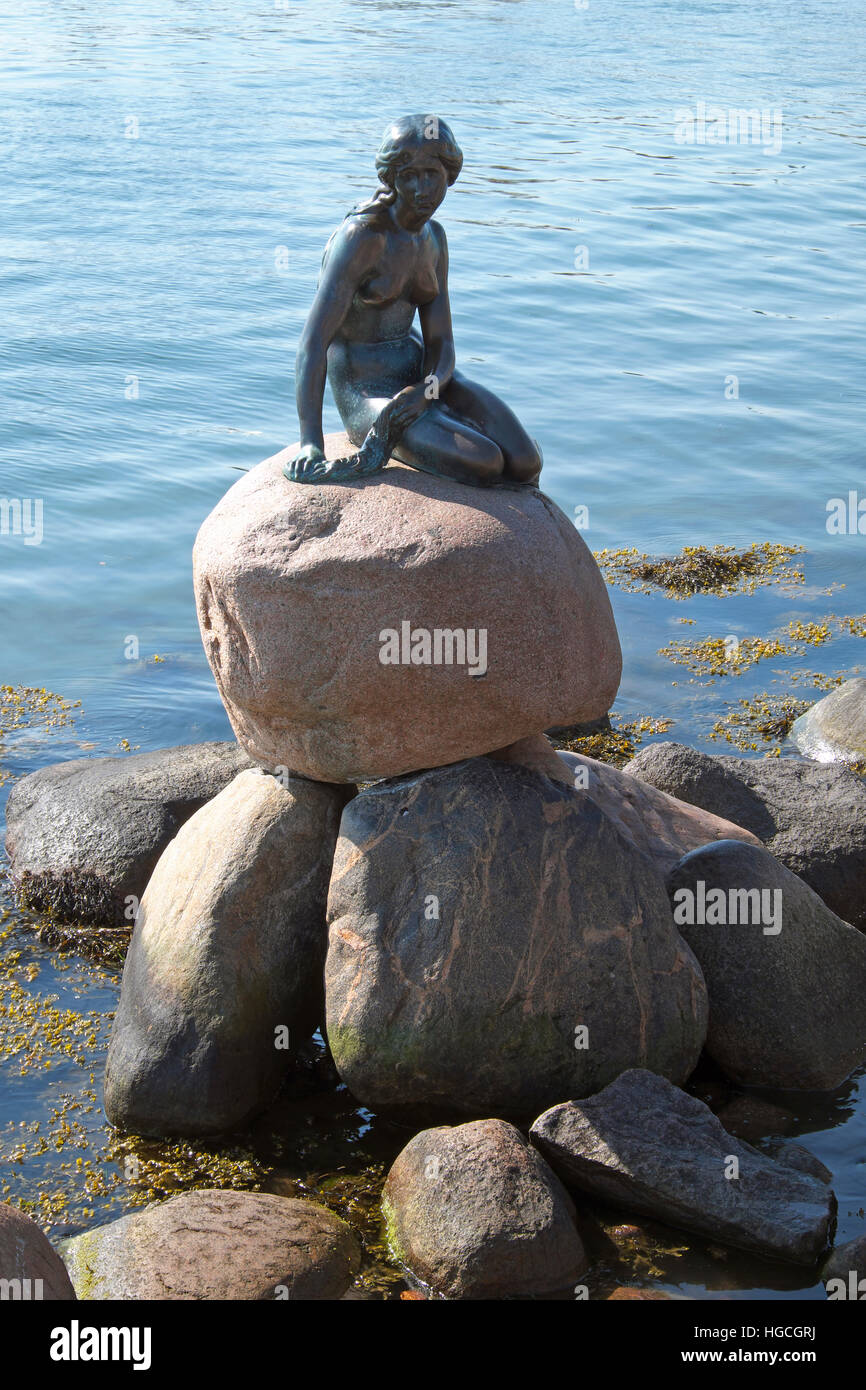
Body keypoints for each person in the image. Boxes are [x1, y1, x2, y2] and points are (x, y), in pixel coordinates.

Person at [286, 115, 542, 487]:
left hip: (422, 379)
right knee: (483, 462)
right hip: (365, 389)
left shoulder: (434, 239)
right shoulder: (362, 238)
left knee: (525, 461)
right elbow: (312, 345)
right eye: (409, 176)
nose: (422, 189)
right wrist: (311, 442)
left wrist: (426, 391)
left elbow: (442, 343)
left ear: (449, 175)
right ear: (391, 178)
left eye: (432, 175)